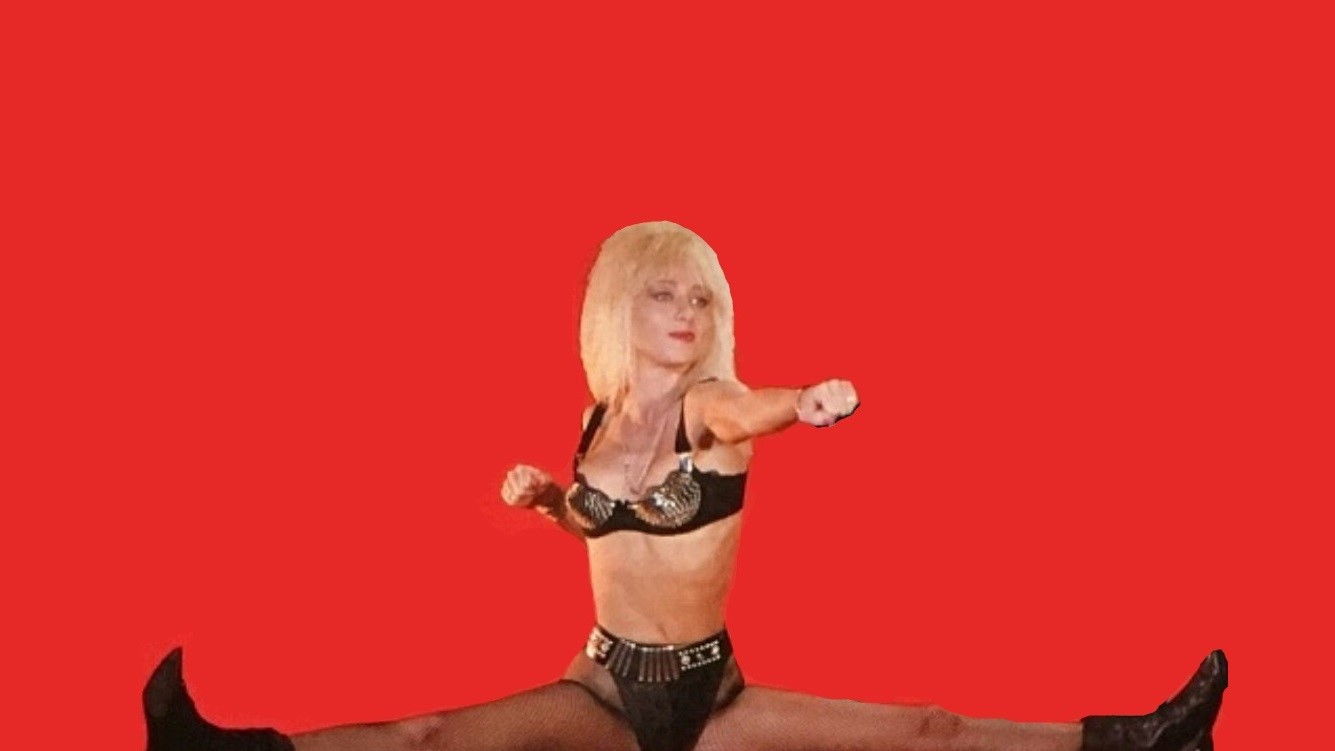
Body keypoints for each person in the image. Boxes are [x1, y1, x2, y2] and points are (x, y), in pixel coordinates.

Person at [142, 220, 1228, 751]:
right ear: (618, 304)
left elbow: (755, 410)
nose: (688, 312)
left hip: (712, 699)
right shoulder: (597, 421)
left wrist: (807, 402)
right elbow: (600, 532)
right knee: (425, 737)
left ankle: (1137, 741)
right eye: (664, 293)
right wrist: (546, 502)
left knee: (928, 730)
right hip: (601, 687)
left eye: (702, 297)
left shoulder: (715, 406)